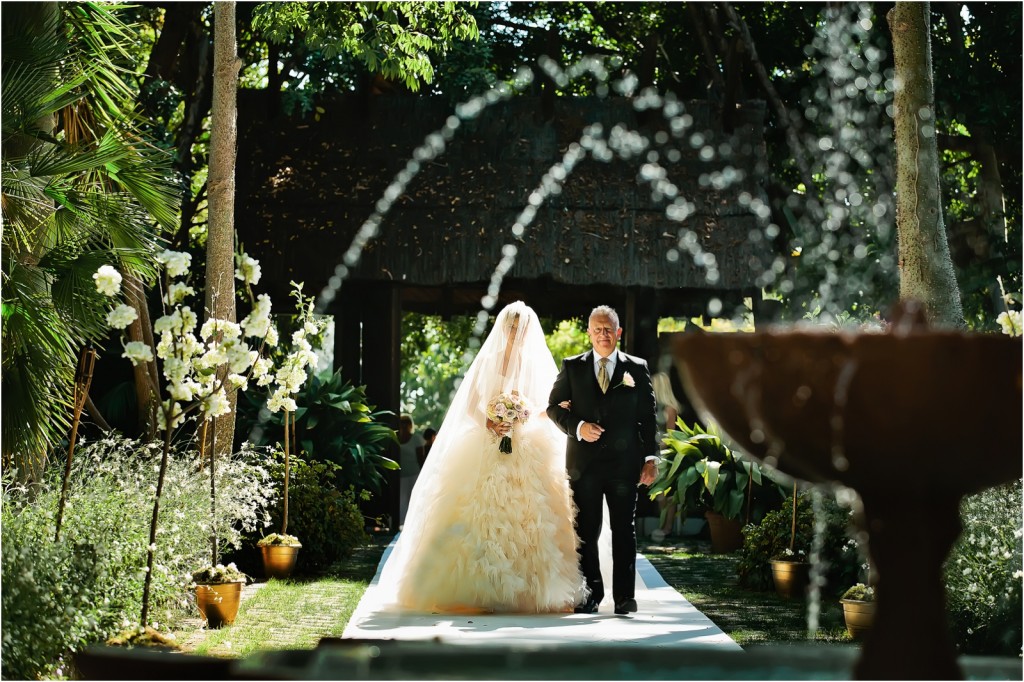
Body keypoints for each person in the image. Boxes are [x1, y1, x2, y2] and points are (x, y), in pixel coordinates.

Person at [377, 301, 587, 613]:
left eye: (521, 328)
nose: (516, 333)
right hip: (488, 443)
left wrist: (534, 413)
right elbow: (471, 403)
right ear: (504, 327)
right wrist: (489, 421)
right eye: (512, 327)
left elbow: (544, 407)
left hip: (526, 445)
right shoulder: (488, 360)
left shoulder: (535, 363)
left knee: (532, 516)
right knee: (482, 514)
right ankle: (478, 589)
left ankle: (530, 591)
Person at [547, 305, 658, 615]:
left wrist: (650, 458)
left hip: (625, 466)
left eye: (608, 329)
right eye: (597, 329)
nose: (603, 334)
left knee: (624, 529)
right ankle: (590, 595)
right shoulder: (572, 367)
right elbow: (554, 407)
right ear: (589, 334)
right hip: (584, 466)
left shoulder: (636, 368)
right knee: (587, 530)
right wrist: (579, 427)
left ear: (618, 332)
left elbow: (648, 418)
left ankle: (624, 597)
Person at [397, 413, 426, 526]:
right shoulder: (396, 438)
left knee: (414, 499)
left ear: (410, 425)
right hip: (401, 474)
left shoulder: (416, 439)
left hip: (414, 474)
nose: (404, 426)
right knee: (402, 501)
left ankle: (414, 524)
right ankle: (401, 523)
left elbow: (421, 459)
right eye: (402, 424)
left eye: (406, 424)